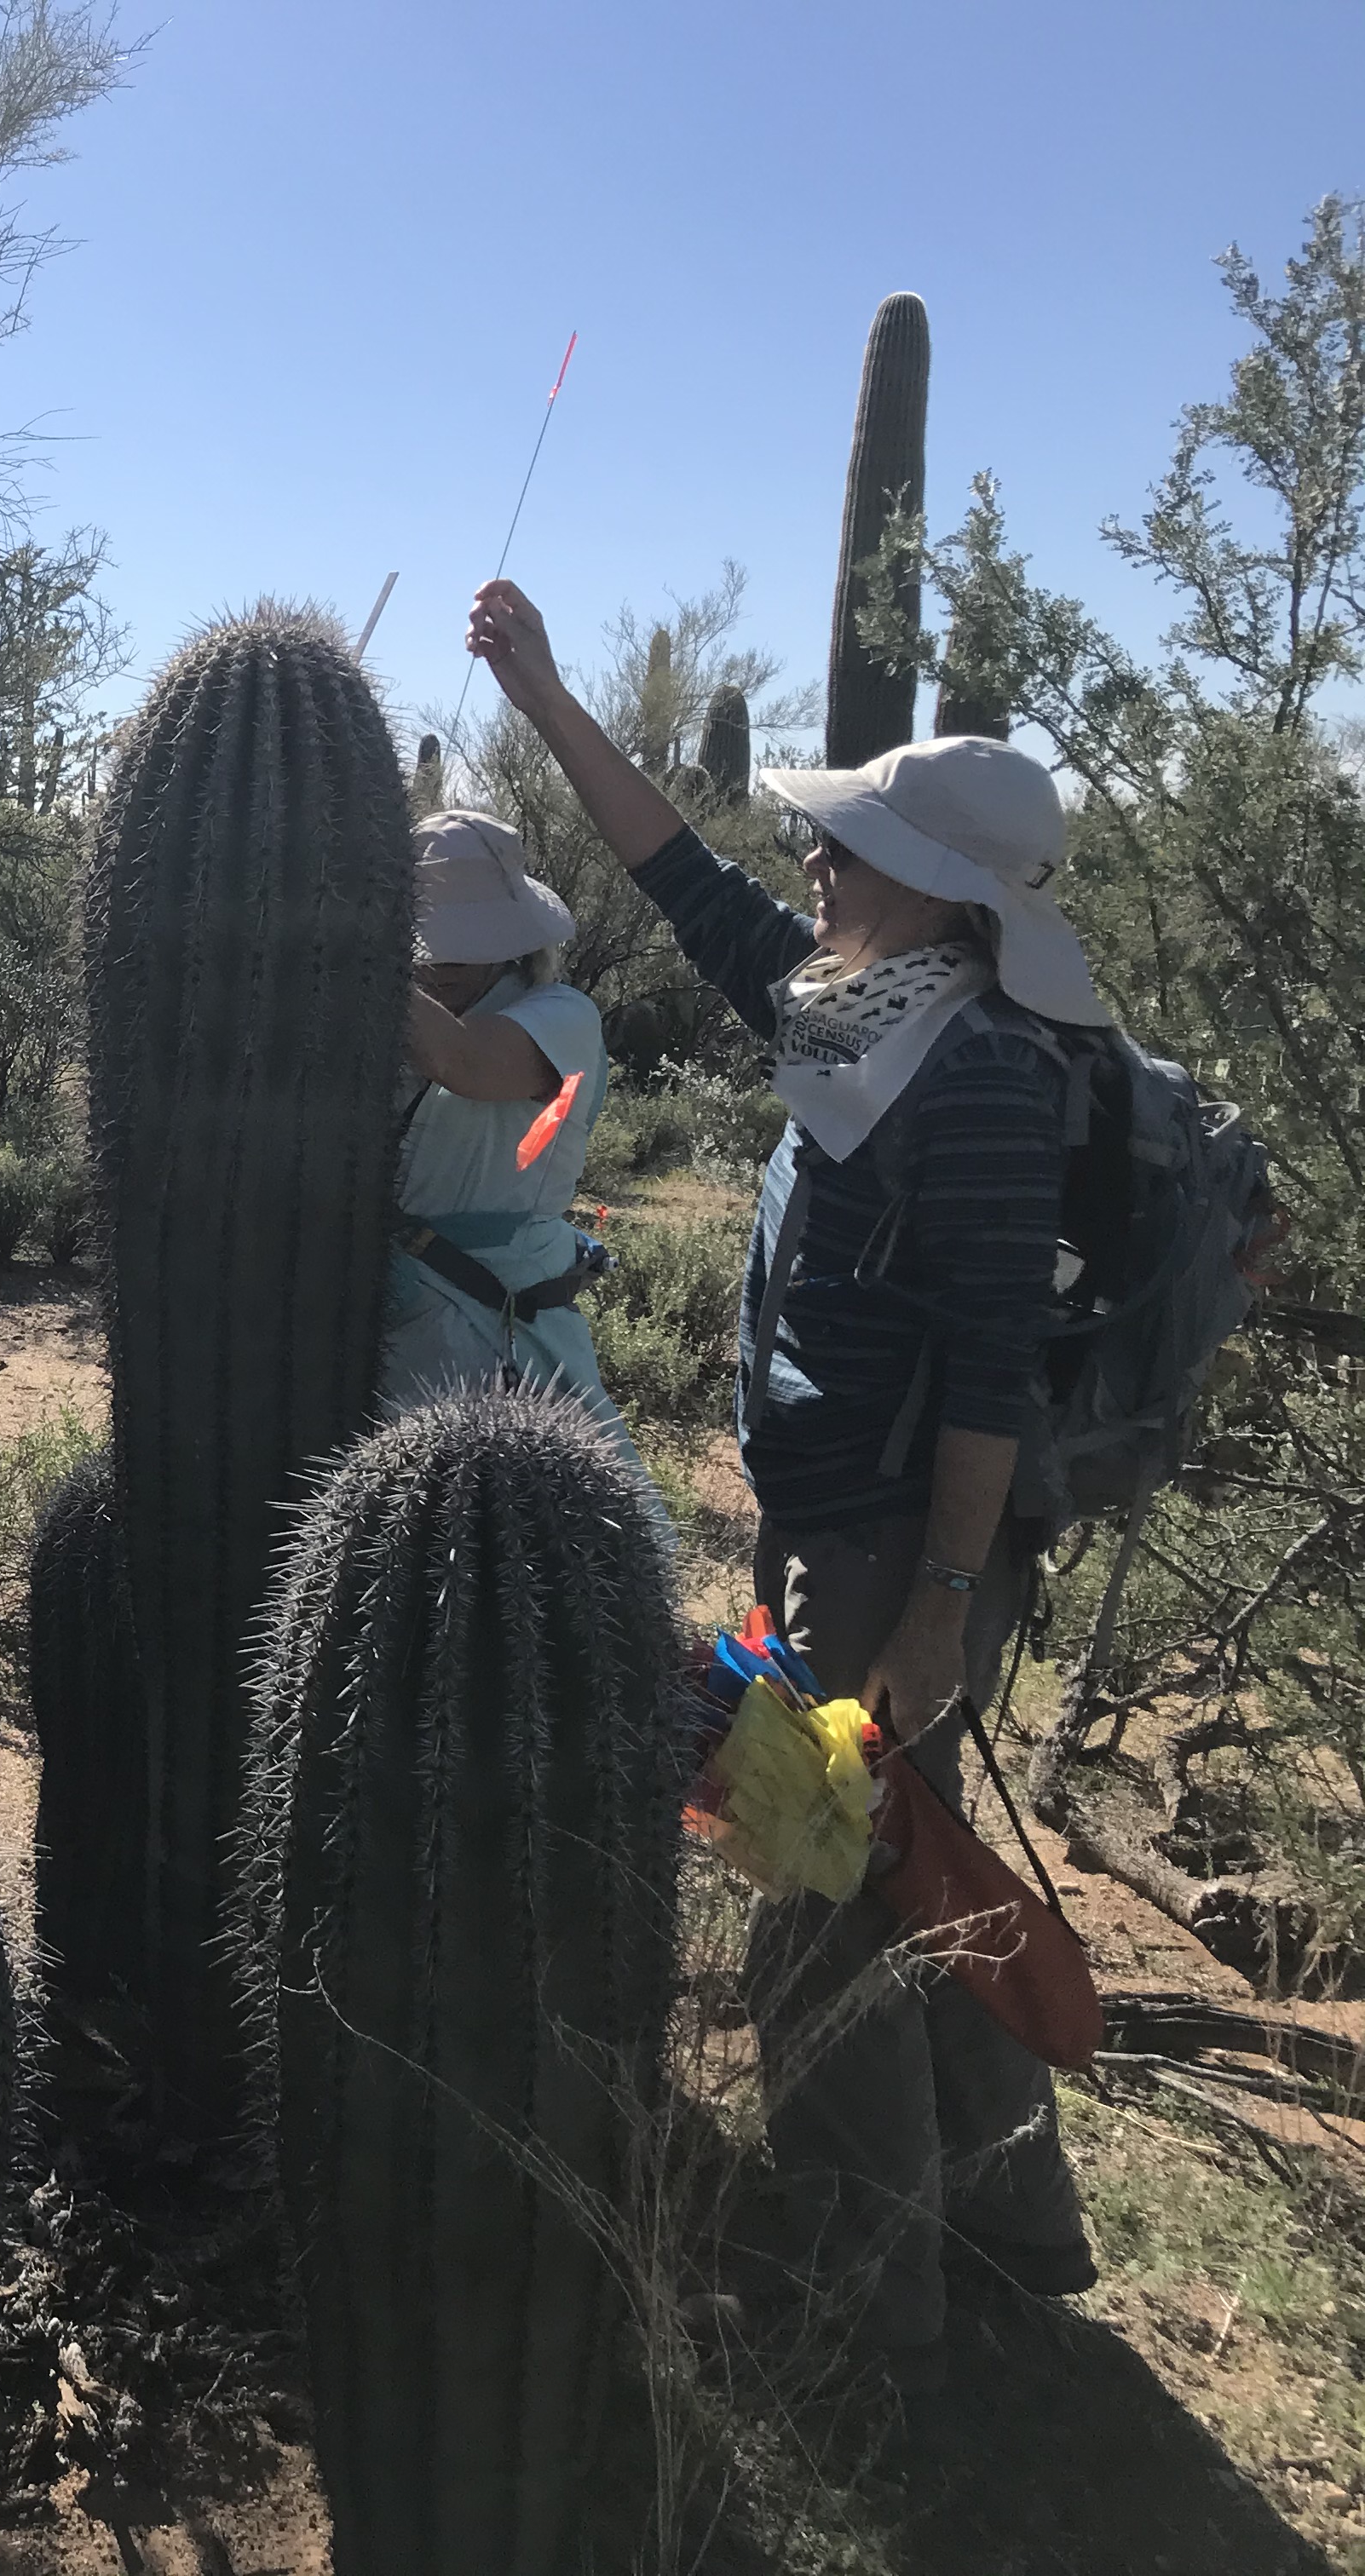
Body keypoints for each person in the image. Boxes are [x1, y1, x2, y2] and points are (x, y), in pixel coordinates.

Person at [468, 578, 1097, 2395]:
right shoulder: (859, 1017)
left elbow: (986, 1370)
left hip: (899, 1547)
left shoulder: (967, 1074)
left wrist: (941, 1601)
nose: (818, 869)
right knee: (916, 1865)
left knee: (815, 1911)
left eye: (856, 850)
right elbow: (681, 874)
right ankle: (1009, 2217)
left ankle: (860, 2293)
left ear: (947, 898)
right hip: (848, 1530)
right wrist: (551, 688)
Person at [383, 808, 642, 1472]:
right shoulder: (392, 1014)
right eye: (424, 943)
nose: (436, 960)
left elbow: (468, 1065)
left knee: (535, 1522)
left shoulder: (562, 1017)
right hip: (383, 1312)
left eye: (454, 943)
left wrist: (361, 948)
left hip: (497, 1318)